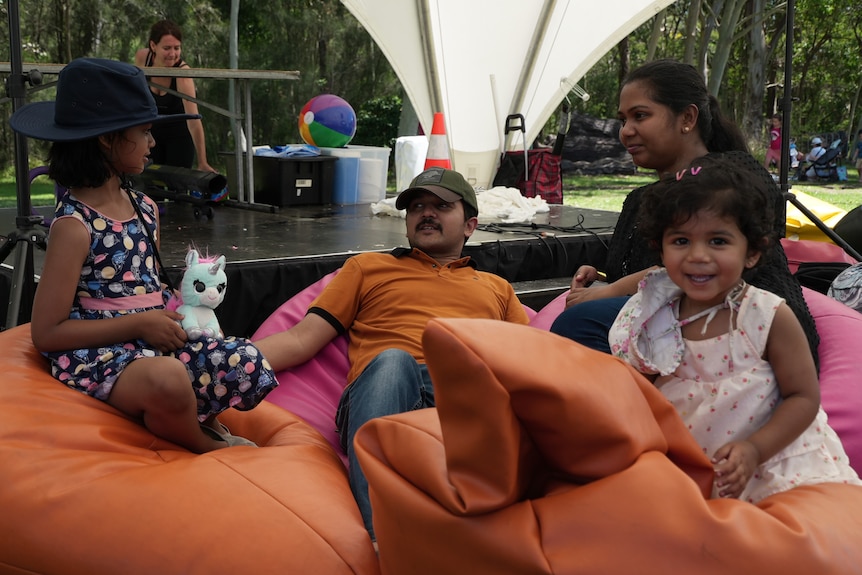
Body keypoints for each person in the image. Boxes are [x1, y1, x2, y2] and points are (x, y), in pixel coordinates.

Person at [9, 58, 277, 453]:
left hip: (154, 342)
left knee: (245, 357)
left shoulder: (146, 208)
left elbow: (149, 288)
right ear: (107, 139)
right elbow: (47, 333)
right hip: (103, 354)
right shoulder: (74, 225)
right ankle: (198, 442)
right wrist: (138, 325)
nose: (152, 143)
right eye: (145, 132)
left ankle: (197, 416)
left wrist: (179, 321)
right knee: (168, 378)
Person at [255, 166, 530, 544]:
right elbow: (302, 339)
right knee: (393, 360)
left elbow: (529, 360)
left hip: (464, 394)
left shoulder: (496, 288)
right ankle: (383, 540)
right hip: (388, 385)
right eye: (417, 206)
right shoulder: (369, 268)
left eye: (441, 206)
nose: (426, 213)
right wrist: (223, 360)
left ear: (470, 225)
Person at [608, 154, 860, 502]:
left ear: (752, 252)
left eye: (718, 241)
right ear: (660, 248)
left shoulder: (765, 316)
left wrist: (755, 449)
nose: (698, 255)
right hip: (692, 468)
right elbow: (639, 390)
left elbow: (803, 396)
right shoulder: (653, 312)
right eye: (681, 241)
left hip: (772, 468)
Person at [549, 59, 819, 366]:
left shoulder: (733, 177)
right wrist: (598, 276)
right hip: (672, 326)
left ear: (687, 117)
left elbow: (693, 268)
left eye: (640, 116)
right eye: (623, 120)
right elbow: (646, 273)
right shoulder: (640, 199)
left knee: (581, 323)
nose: (626, 131)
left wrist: (608, 293)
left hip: (742, 328)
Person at [134, 19, 215, 172]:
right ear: (153, 46)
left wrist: (203, 162)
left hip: (179, 137)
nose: (172, 54)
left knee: (177, 189)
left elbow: (194, 120)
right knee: (148, 185)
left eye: (177, 48)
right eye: (167, 48)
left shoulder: (183, 74)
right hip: (151, 135)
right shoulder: (142, 59)